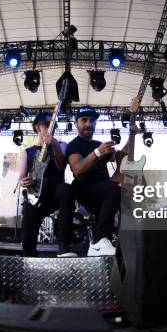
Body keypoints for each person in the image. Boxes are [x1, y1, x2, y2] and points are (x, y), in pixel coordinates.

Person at [59, 105, 136, 256]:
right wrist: (97, 152)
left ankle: (117, 242)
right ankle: (100, 241)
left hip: (104, 190)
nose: (88, 124)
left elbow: (121, 156)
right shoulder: (74, 145)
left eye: (92, 120)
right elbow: (78, 169)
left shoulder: (98, 143)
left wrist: (131, 136)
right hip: (85, 188)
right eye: (84, 120)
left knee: (124, 196)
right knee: (115, 189)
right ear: (76, 123)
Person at [19, 112, 75, 257]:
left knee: (66, 189)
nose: (52, 127)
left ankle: (63, 246)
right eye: (47, 124)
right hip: (36, 197)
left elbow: (62, 166)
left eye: (54, 124)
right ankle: (30, 259)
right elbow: (21, 179)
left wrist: (55, 144)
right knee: (27, 242)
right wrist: (25, 181)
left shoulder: (61, 145)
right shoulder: (27, 153)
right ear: (38, 127)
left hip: (56, 192)